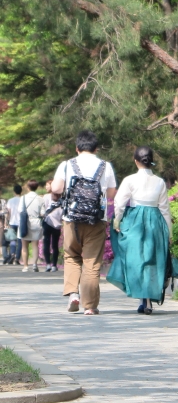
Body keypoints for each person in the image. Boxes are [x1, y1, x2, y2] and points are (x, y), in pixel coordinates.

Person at [51, 131, 117, 315]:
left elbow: (56, 188)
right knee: (92, 262)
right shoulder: (106, 166)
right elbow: (111, 194)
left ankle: (73, 294)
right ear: (96, 149)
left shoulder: (67, 165)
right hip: (96, 220)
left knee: (71, 256)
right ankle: (90, 306)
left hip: (71, 219)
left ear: (77, 148)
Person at [108, 146, 172, 315]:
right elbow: (165, 209)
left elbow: (119, 203)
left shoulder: (130, 180)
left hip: (135, 220)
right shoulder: (159, 182)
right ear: (151, 161)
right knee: (152, 259)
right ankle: (147, 299)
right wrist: (169, 233)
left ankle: (144, 299)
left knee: (136, 258)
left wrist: (117, 221)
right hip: (155, 220)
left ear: (136, 161)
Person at [19, 180, 43, 273]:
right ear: (36, 187)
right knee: (35, 245)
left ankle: (25, 266)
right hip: (36, 222)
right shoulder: (40, 199)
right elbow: (43, 213)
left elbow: (20, 210)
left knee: (24, 246)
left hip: (25, 222)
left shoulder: (23, 198)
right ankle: (34, 265)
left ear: (28, 187)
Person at [42, 179, 62, 272]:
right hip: (58, 224)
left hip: (47, 222)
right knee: (55, 245)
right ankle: (54, 265)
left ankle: (48, 264)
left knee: (46, 243)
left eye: (47, 185)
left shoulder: (46, 197)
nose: (46, 187)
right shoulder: (62, 197)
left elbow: (43, 210)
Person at [6, 185, 22, 265]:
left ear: (14, 191)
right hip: (20, 223)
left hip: (12, 222)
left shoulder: (10, 200)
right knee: (20, 241)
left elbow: (9, 212)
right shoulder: (22, 200)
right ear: (21, 191)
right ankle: (17, 258)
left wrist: (7, 221)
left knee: (12, 240)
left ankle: (12, 254)